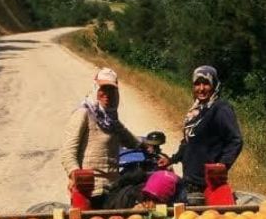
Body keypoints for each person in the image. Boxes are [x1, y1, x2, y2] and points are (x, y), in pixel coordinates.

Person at [158, 65, 243, 203]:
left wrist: (222, 164)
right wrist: (172, 159)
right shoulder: (197, 111)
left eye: (206, 83)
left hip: (207, 184)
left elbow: (235, 140)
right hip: (191, 181)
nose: (201, 88)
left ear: (214, 84)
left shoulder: (220, 108)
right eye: (197, 83)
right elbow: (189, 142)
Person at [61, 68, 142, 209]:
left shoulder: (111, 119)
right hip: (89, 190)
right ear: (95, 88)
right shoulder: (84, 114)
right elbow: (68, 152)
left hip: (112, 188)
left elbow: (128, 138)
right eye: (103, 89)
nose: (107, 94)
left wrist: (144, 145)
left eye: (111, 90)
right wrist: (75, 173)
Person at [103, 170, 182, 210]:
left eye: (155, 200)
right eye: (147, 197)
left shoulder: (176, 201)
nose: (149, 203)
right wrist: (132, 214)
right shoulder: (127, 199)